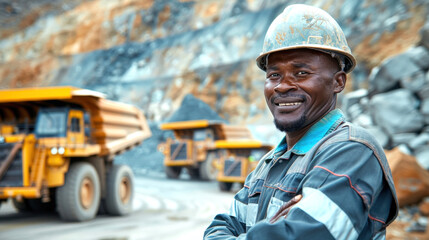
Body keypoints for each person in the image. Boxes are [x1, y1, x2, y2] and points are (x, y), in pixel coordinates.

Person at [204, 4, 398, 239]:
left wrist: (267, 231)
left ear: (338, 82)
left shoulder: (352, 151)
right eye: (274, 75)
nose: (282, 86)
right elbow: (218, 229)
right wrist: (273, 228)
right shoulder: (268, 164)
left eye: (301, 73)